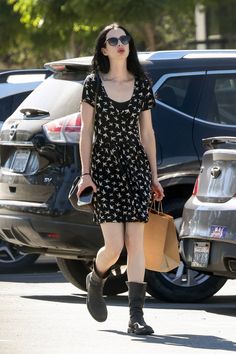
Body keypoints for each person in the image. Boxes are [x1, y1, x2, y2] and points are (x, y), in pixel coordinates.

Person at [77, 23, 164, 335]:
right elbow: (86, 131)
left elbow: (148, 132)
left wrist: (154, 176)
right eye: (112, 40)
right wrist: (85, 173)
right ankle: (96, 277)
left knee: (135, 244)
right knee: (113, 247)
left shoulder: (141, 83)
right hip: (104, 168)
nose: (119, 43)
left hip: (136, 168)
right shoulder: (93, 84)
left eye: (124, 38)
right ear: (103, 49)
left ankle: (135, 317)